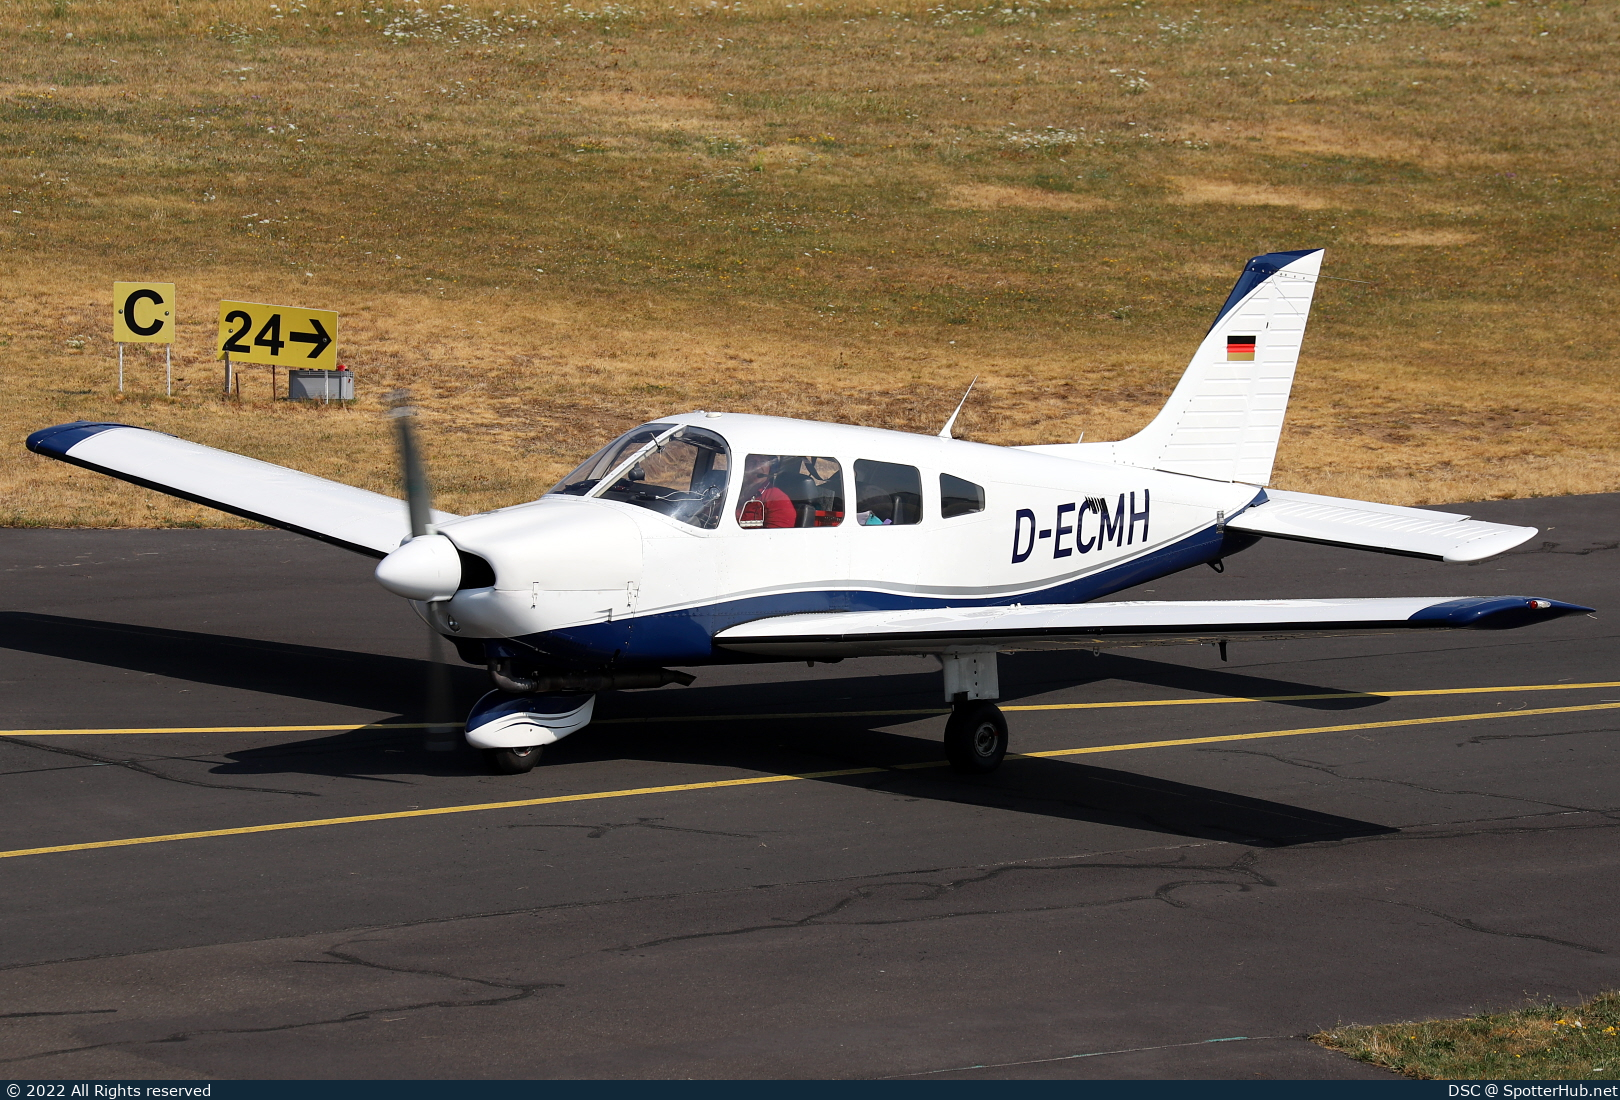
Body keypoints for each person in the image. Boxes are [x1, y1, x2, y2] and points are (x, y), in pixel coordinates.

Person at [737, 455, 797, 529]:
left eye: (763, 462)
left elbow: (775, 537)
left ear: (771, 468)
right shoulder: (734, 491)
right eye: (752, 461)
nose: (757, 467)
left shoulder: (777, 499)